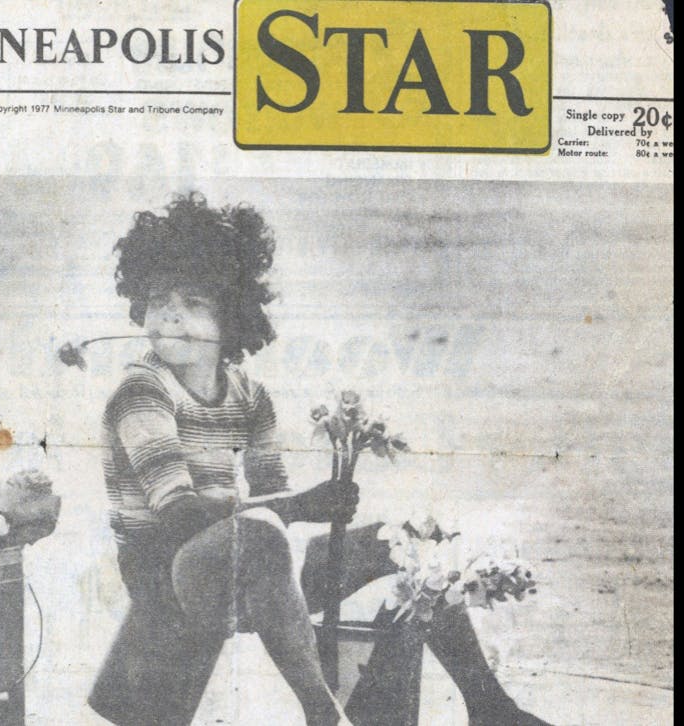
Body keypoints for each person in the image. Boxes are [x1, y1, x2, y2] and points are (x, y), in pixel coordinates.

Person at [87, 192, 549, 726]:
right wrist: (303, 503)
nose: (171, 314)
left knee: (410, 541)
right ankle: (322, 714)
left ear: (231, 316)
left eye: (193, 302)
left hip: (251, 563)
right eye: (157, 299)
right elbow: (184, 515)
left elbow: (276, 509)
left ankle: (491, 709)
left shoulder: (250, 395)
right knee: (261, 529)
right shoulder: (141, 390)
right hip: (167, 575)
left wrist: (313, 513)